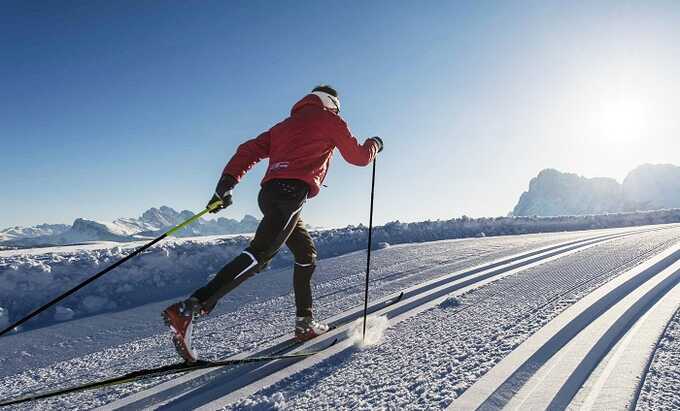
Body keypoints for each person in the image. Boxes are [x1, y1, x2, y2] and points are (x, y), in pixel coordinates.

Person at [162, 85, 383, 362]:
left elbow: (247, 150)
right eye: (338, 108)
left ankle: (304, 323)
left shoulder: (284, 126)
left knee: (305, 254)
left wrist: (226, 184)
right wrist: (375, 144)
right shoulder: (329, 119)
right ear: (333, 104)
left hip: (269, 195)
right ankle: (190, 308)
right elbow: (359, 157)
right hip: (291, 195)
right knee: (260, 255)